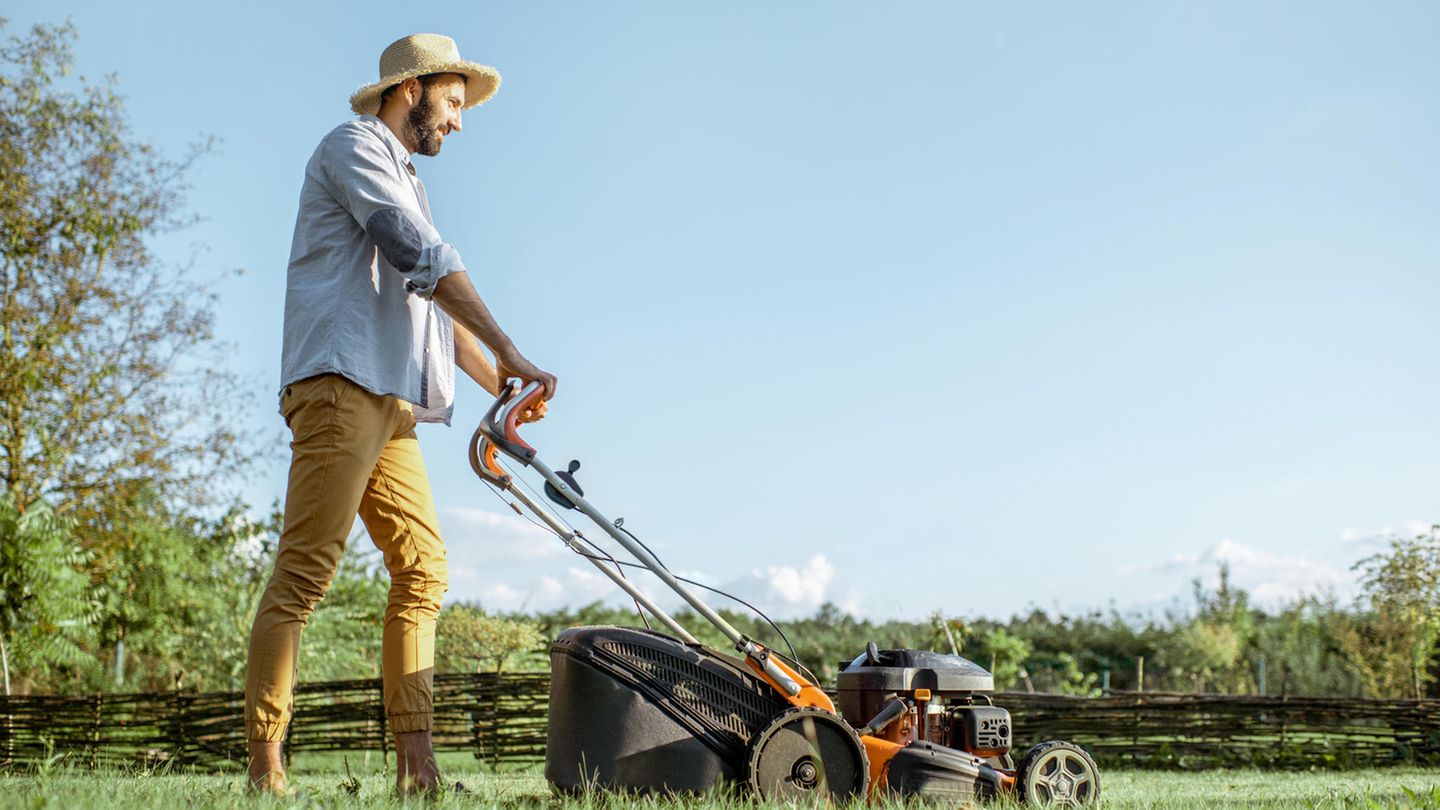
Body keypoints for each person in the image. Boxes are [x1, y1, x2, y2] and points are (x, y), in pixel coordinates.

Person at [244, 32, 556, 796]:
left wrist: (499, 382)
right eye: (452, 103)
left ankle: (417, 772)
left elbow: (433, 317)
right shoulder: (352, 147)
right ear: (411, 90)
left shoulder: (408, 175)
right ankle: (264, 767)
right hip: (339, 382)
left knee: (423, 569)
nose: (459, 121)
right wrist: (510, 346)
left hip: (390, 401)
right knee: (306, 574)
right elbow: (421, 255)